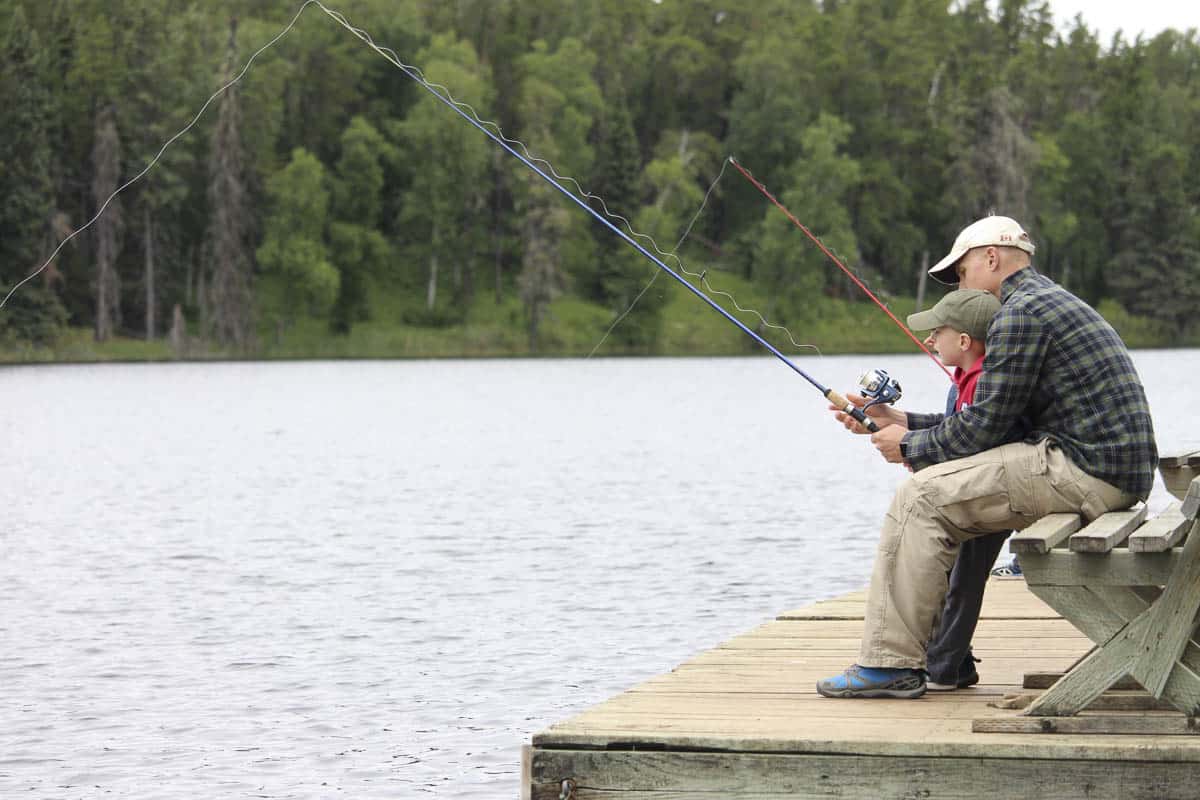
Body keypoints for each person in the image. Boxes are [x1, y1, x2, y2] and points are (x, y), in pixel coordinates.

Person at [816, 215, 1157, 699]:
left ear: (990, 259)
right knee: (946, 493)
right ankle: (943, 657)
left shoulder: (1020, 314)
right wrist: (901, 420)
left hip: (1086, 472)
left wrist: (908, 447)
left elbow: (985, 429)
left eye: (960, 273)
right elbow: (1001, 422)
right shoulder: (1046, 302)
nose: (962, 286)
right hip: (1106, 470)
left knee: (920, 497)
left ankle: (888, 664)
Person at [904, 288, 1011, 692]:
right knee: (949, 575)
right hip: (971, 492)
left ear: (964, 341)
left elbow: (972, 442)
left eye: (937, 332)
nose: (930, 340)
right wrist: (893, 422)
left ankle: (945, 668)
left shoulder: (986, 381)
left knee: (963, 579)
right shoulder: (963, 379)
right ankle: (956, 660)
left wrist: (909, 448)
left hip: (991, 496)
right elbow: (950, 426)